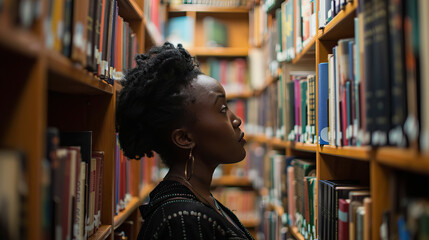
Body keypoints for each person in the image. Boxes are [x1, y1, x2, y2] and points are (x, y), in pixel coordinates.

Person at [116, 42, 254, 240]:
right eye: (222, 109)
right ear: (184, 138)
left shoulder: (197, 198)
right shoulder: (184, 221)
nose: (236, 120)